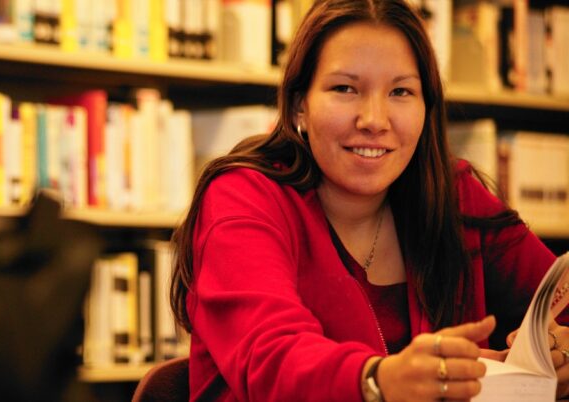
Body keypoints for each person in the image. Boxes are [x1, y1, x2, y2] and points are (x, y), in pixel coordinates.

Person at [169, 0, 569, 400]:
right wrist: (379, 381)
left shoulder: (453, 194)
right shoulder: (244, 197)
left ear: (426, 108)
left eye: (400, 91)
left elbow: (559, 297)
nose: (374, 120)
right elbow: (272, 358)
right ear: (299, 106)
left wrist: (559, 353)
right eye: (345, 89)